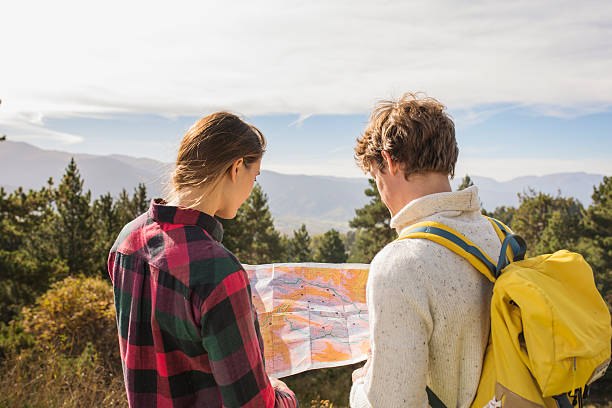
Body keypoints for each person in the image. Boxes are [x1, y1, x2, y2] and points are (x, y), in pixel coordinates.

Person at [108, 112, 298, 408]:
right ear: (236, 168)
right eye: (255, 175)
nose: (252, 188)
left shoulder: (126, 242)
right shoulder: (218, 272)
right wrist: (282, 393)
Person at [349, 93, 502, 408]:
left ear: (389, 161)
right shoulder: (500, 235)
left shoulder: (400, 265)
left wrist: (361, 387)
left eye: (376, 177)